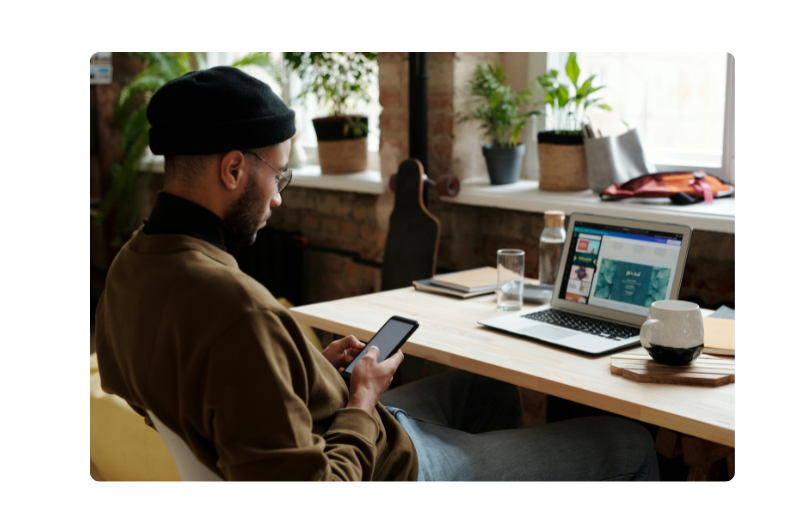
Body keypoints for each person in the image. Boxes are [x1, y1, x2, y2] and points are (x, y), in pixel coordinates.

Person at [96, 67, 658, 483]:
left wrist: (304, 371)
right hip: (381, 465)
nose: (278, 200)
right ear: (235, 168)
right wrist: (361, 397)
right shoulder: (237, 310)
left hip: (331, 428)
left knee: (487, 388)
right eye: (280, 175)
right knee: (627, 441)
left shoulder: (130, 267)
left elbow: (207, 389)